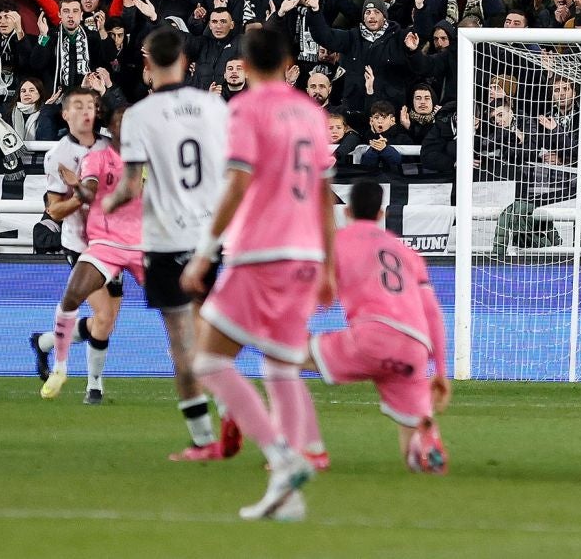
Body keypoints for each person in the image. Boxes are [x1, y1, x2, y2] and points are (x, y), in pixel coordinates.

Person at [182, 26, 335, 522]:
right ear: (290, 63)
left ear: (244, 65)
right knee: (281, 367)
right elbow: (324, 195)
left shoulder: (246, 109)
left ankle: (282, 456)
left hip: (260, 251)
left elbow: (238, 183)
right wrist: (329, 265)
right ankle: (286, 494)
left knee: (209, 361)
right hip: (305, 253)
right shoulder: (312, 113)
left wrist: (205, 252)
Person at [101, 26, 239, 462]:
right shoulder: (213, 105)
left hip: (166, 239)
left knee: (181, 340)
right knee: (211, 330)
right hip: (210, 236)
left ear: (147, 64)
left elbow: (130, 185)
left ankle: (202, 439)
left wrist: (106, 203)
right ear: (185, 61)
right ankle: (232, 407)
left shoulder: (139, 115)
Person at [303, 179, 451, 473]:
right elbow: (432, 312)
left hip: (372, 336)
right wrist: (441, 370)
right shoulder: (406, 251)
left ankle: (306, 449)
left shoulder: (338, 243)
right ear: (382, 213)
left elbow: (315, 292)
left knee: (282, 358)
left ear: (347, 211)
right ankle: (423, 446)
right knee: (411, 442)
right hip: (413, 347)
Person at [37, 89, 144, 404]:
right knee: (102, 315)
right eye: (78, 106)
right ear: (65, 114)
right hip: (81, 243)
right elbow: (54, 210)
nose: (86, 111)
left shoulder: (110, 144)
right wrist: (80, 194)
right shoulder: (58, 155)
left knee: (106, 321)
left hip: (119, 240)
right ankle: (93, 385)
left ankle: (45, 342)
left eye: (91, 106)